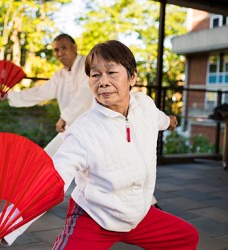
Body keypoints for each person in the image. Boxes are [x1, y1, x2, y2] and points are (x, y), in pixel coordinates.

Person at [50, 40, 198, 249]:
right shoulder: (82, 131)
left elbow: (160, 119)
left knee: (186, 237)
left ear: (132, 77)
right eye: (95, 75)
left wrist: (170, 121)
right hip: (94, 217)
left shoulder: (144, 105)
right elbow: (51, 181)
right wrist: (6, 229)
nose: (103, 81)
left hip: (136, 214)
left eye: (111, 72)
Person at [0, 33, 94, 156]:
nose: (60, 53)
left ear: (74, 47)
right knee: (47, 160)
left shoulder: (87, 66)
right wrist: (9, 96)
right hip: (70, 129)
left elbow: (84, 96)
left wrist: (65, 118)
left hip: (90, 129)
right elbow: (40, 92)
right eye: (56, 50)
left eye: (64, 48)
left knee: (57, 164)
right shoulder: (59, 75)